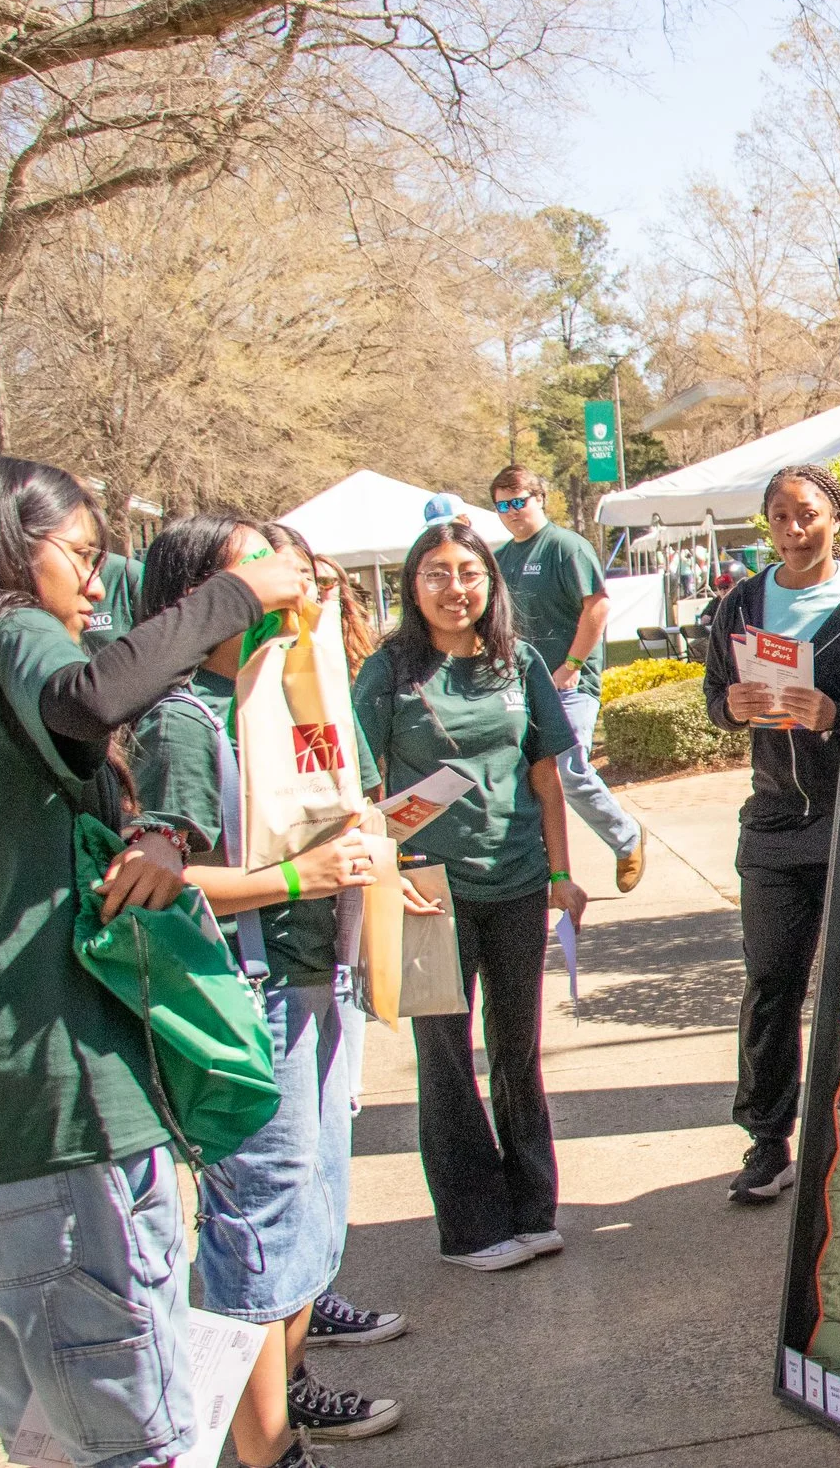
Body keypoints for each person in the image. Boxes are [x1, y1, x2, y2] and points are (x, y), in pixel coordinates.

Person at [0, 456, 309, 1468]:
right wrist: (239, 593)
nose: (98, 581)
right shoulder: (1, 631)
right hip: (62, 1129)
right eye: (84, 553)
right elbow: (94, 694)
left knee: (56, 1448)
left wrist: (157, 827)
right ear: (14, 547)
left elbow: (94, 711)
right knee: (138, 1447)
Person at [125, 517, 403, 1462]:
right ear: (200, 597)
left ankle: (288, 1401)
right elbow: (160, 881)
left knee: (306, 1221)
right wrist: (301, 879)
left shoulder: (289, 692)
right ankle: (265, 1446)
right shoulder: (184, 716)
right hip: (249, 1001)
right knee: (260, 1229)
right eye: (256, 562)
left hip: (316, 985)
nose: (286, 575)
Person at [350, 520, 589, 1270]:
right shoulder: (388, 671)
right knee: (446, 1059)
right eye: (437, 574)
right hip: (426, 891)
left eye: (470, 573)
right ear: (412, 586)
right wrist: (386, 873)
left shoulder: (519, 663)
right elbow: (363, 787)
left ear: (491, 582)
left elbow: (546, 777)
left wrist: (559, 872)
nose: (456, 588)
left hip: (517, 882)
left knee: (519, 1050)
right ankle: (472, 1228)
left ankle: (533, 1206)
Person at [703, 465, 840, 1204]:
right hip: (774, 821)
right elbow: (714, 695)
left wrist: (837, 716)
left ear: (834, 517)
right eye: (779, 515)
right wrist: (733, 706)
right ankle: (767, 1140)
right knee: (771, 981)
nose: (792, 527)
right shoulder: (741, 604)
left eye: (806, 512)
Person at [488, 468, 646, 893]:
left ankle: (626, 836)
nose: (512, 511)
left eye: (519, 500)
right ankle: (534, 874)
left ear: (540, 498)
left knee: (567, 769)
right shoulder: (501, 559)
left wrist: (573, 664)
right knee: (524, 779)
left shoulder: (565, 547)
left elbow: (596, 608)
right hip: (521, 686)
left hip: (570, 683)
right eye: (502, 504)